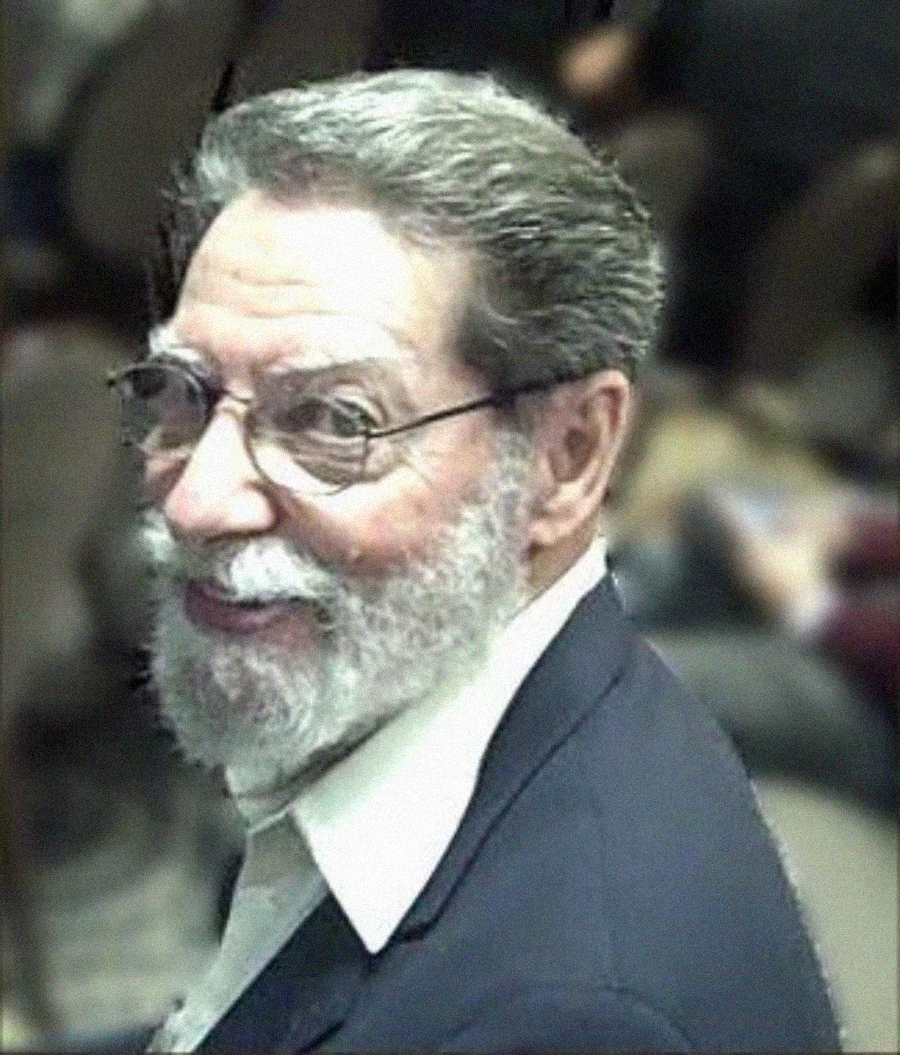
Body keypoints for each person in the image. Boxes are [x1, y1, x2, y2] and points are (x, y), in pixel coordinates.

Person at [109, 70, 839, 1052]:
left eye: (334, 420)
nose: (197, 498)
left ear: (567, 456)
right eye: (185, 390)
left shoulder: (568, 1017)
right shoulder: (475, 705)